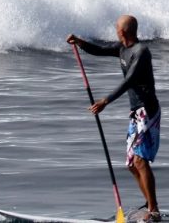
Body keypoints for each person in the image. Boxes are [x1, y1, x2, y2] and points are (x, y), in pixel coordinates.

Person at [67, 15, 161, 222]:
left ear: (123, 31)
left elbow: (130, 81)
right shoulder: (122, 48)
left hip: (147, 111)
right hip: (135, 113)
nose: (115, 31)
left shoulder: (141, 52)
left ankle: (153, 211)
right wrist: (80, 42)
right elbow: (100, 50)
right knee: (130, 164)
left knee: (140, 160)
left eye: (117, 28)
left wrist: (105, 101)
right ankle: (149, 203)